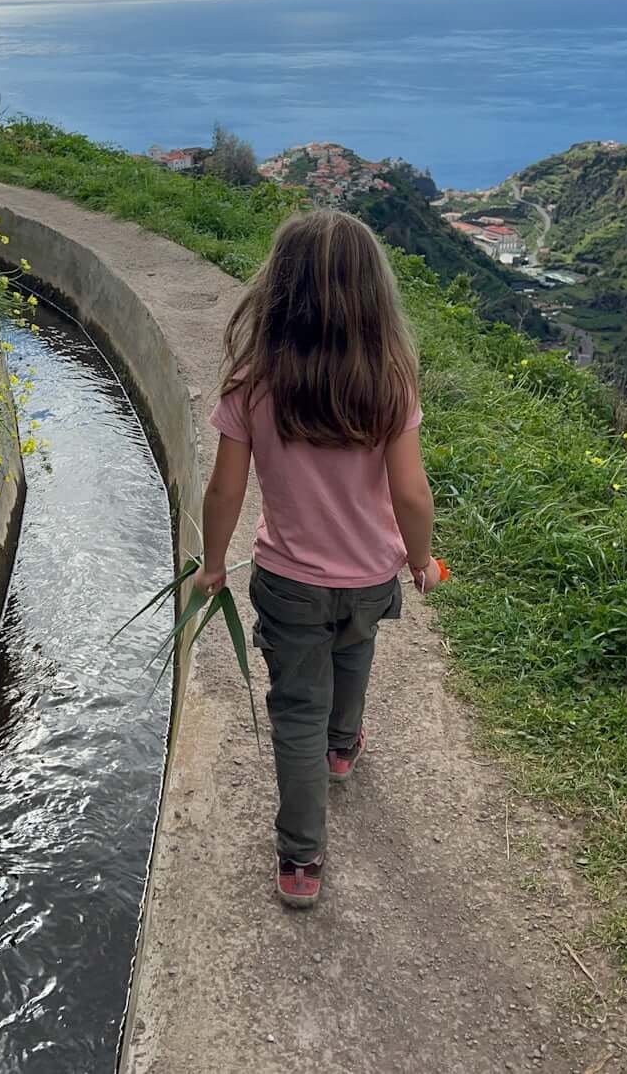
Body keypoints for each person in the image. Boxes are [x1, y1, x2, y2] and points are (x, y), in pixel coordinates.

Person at [193, 209, 440, 908]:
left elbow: (225, 489)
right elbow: (411, 493)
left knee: (294, 709)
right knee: (355, 653)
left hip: (289, 582)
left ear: (279, 290)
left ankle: (302, 861)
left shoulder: (252, 383)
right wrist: (420, 561)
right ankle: (343, 747)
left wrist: (213, 565)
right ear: (373, 295)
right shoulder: (390, 382)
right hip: (369, 576)